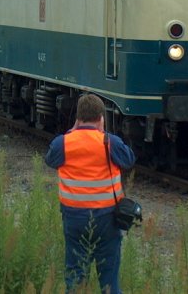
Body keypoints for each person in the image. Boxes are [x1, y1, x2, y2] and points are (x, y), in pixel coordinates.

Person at [45, 93, 136, 294]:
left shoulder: (63, 143)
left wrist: (72, 132)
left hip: (75, 219)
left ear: (78, 118)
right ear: (101, 118)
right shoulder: (110, 142)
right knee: (110, 280)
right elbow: (129, 160)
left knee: (76, 277)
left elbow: (50, 160)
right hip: (107, 219)